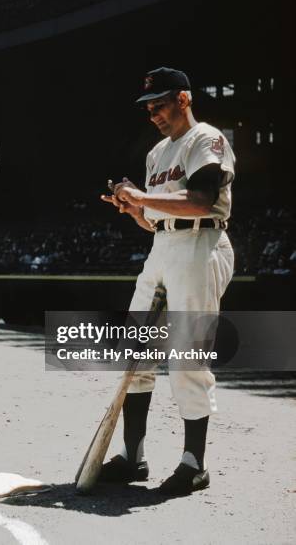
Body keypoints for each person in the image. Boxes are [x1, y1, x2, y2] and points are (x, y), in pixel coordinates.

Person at [100, 67, 235, 496]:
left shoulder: (206, 139)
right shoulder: (157, 153)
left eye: (160, 103)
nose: (153, 112)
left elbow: (200, 201)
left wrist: (143, 196)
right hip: (163, 247)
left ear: (183, 98)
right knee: (136, 352)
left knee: (186, 356)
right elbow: (158, 219)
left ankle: (194, 463)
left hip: (202, 244)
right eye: (149, 106)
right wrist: (135, 209)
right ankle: (133, 457)